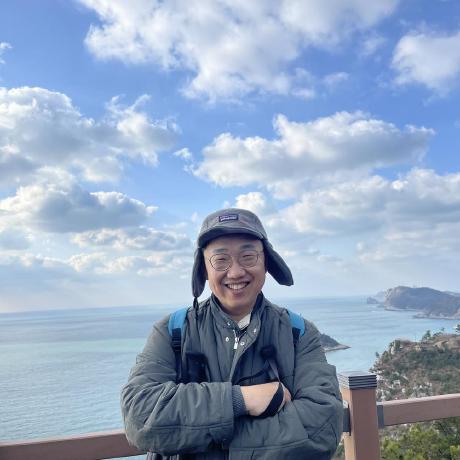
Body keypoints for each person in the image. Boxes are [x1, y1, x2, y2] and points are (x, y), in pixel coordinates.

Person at [121, 208, 343, 459]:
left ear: (267, 263)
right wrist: (240, 400)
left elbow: (321, 427)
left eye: (248, 256)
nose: (236, 272)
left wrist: (206, 439)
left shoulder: (298, 332)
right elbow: (139, 417)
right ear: (203, 269)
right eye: (221, 259)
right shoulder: (173, 331)